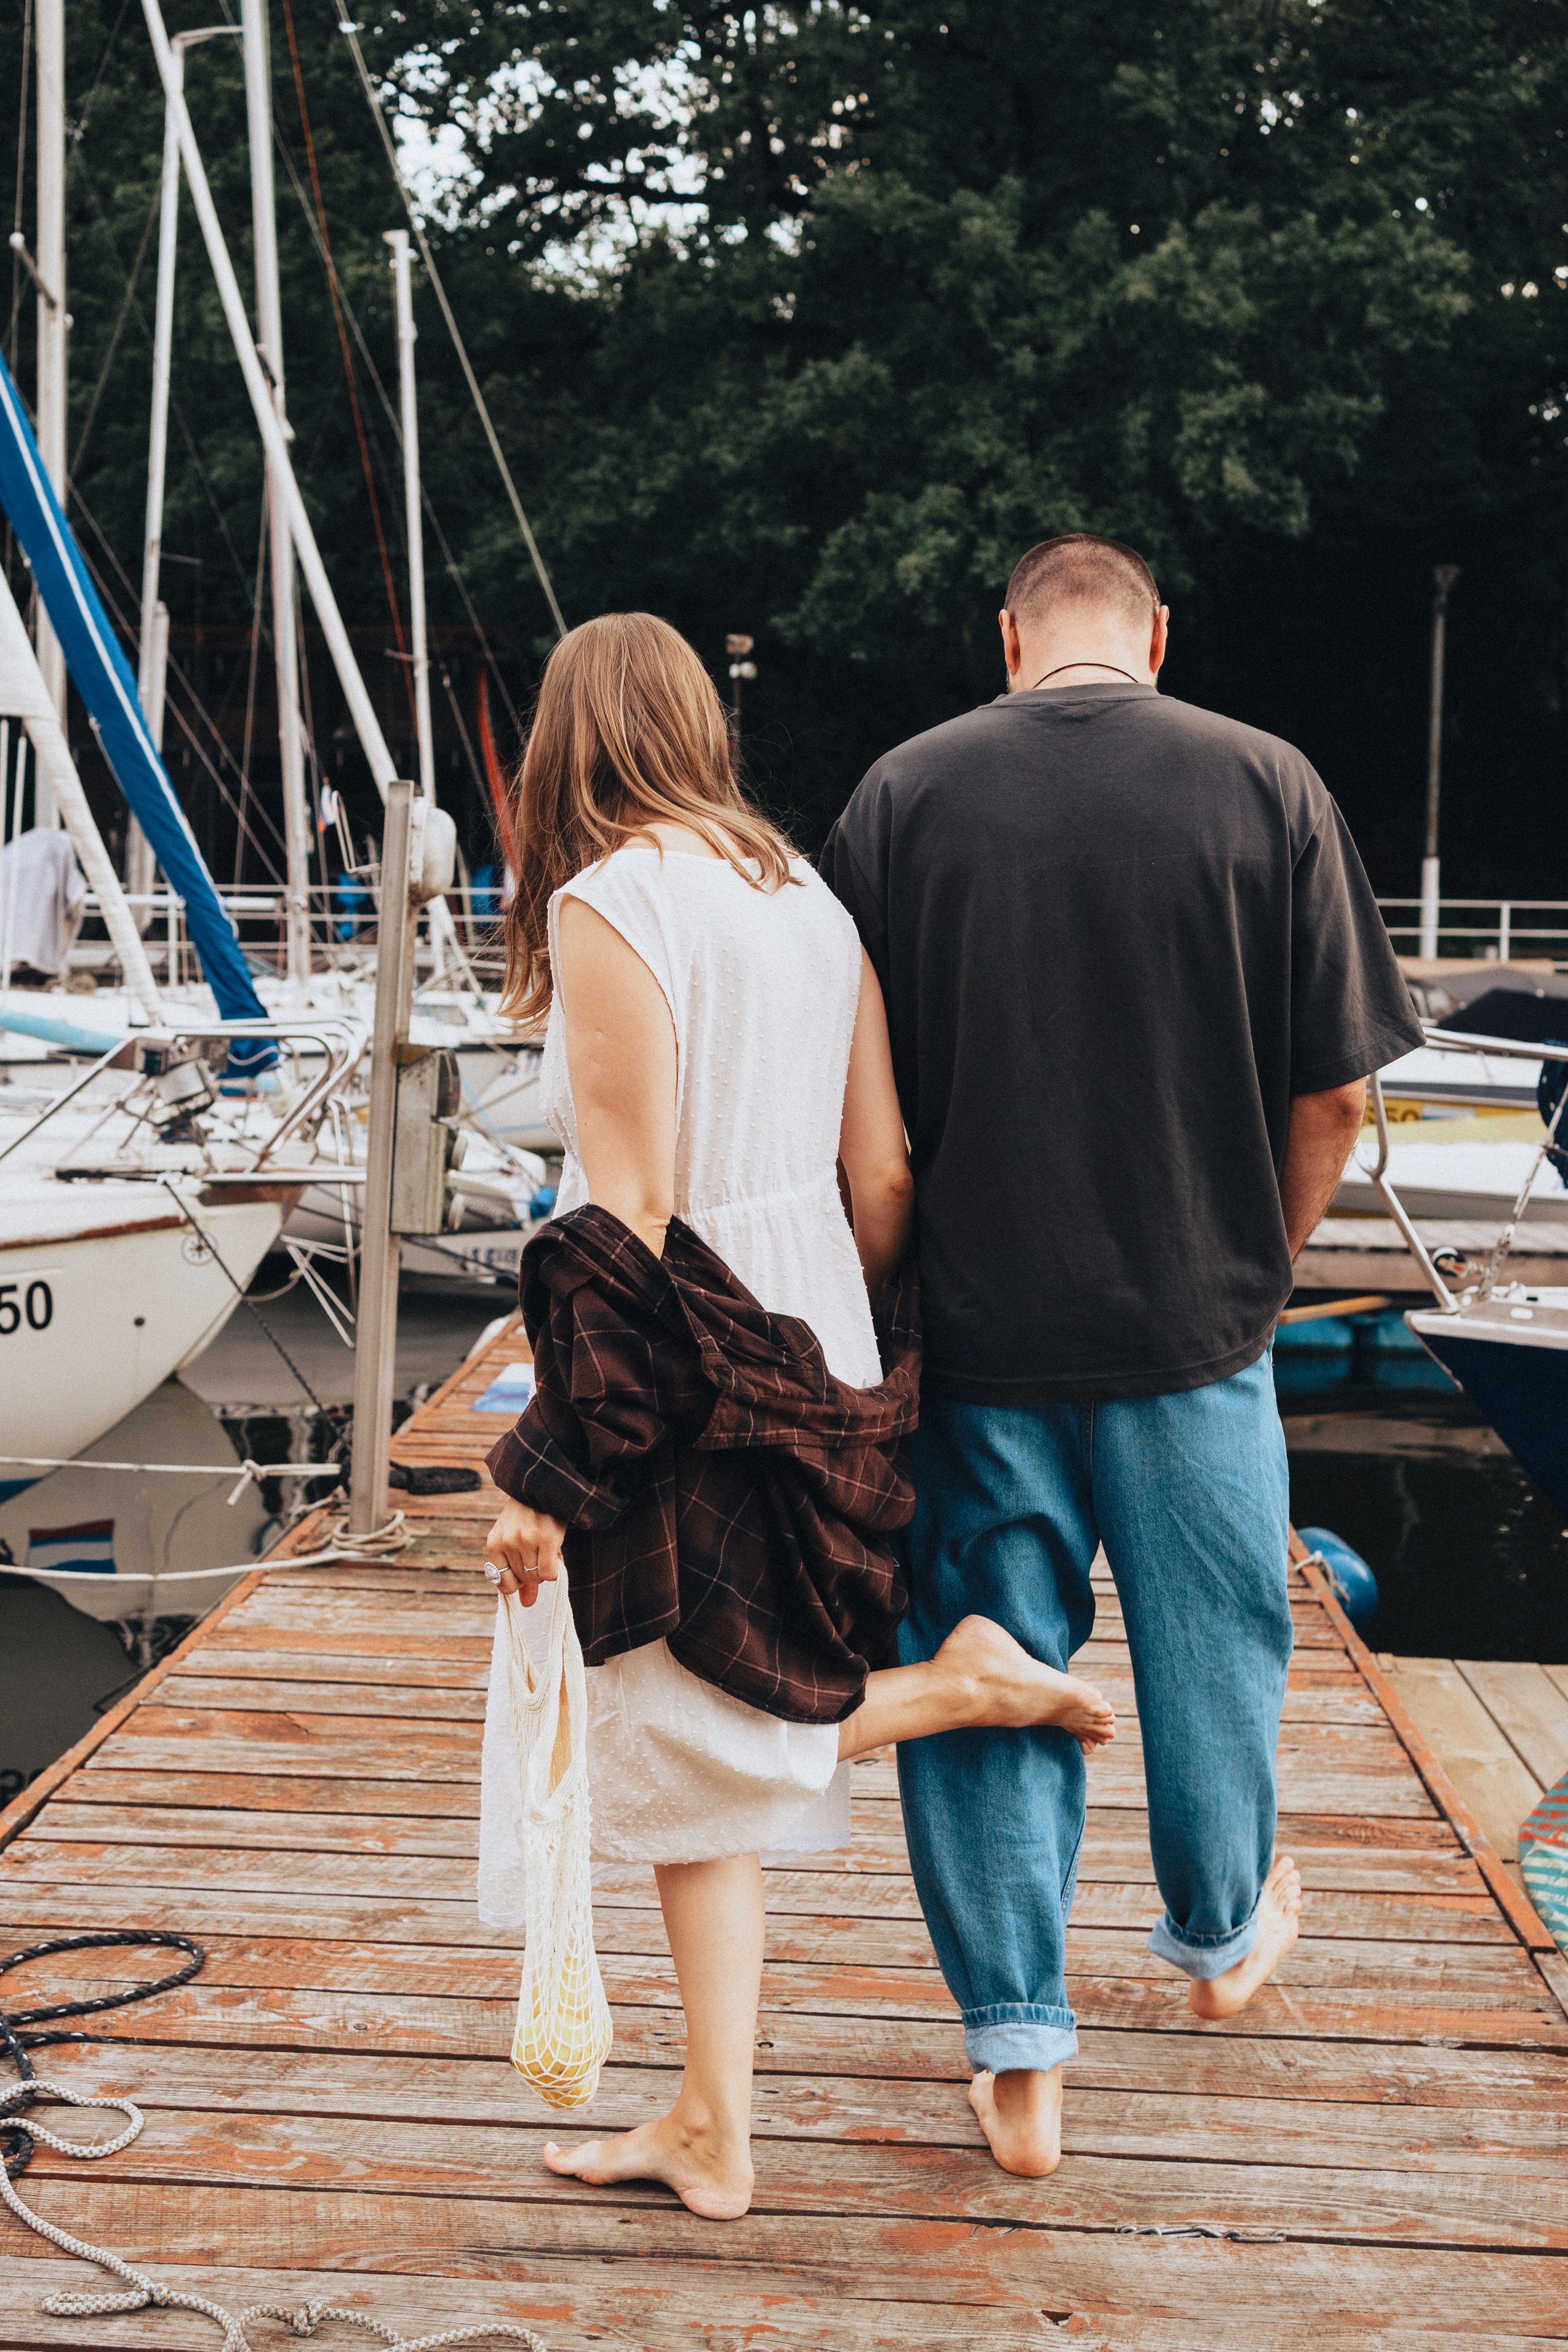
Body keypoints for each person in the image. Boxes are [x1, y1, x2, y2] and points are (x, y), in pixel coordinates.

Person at [481, 610, 1116, 2222]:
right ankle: (712, 2120)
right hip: (812, 1326)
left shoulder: (611, 898)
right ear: (697, 724)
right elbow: (884, 1168)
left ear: (568, 742)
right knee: (700, 1737)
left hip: (678, 1356)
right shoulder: (808, 899)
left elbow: (624, 1205)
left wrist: (544, 1465)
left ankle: (959, 1690)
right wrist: (841, 1333)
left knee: (686, 1717)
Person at [821, 533, 1425, 2179]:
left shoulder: (901, 798)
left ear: (1009, 638)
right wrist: (1257, 1267)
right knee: (1218, 1645)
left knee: (984, 1658)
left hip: (980, 1335)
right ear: (1154, 634)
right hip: (1196, 1326)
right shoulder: (1268, 784)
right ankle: (1223, 1938)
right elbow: (1336, 1100)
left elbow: (858, 1125)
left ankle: (1020, 2059)